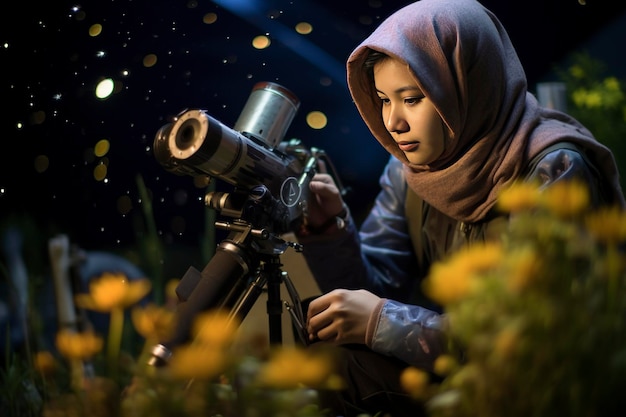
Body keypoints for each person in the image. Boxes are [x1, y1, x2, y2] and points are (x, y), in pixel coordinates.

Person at [293, 0, 626, 416]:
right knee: (327, 364)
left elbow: (537, 343)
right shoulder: (411, 171)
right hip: (459, 366)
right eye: (383, 99)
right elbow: (380, 289)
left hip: (542, 387)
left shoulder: (551, 169)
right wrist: (331, 231)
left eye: (412, 98)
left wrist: (384, 322)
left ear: (469, 84)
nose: (394, 122)